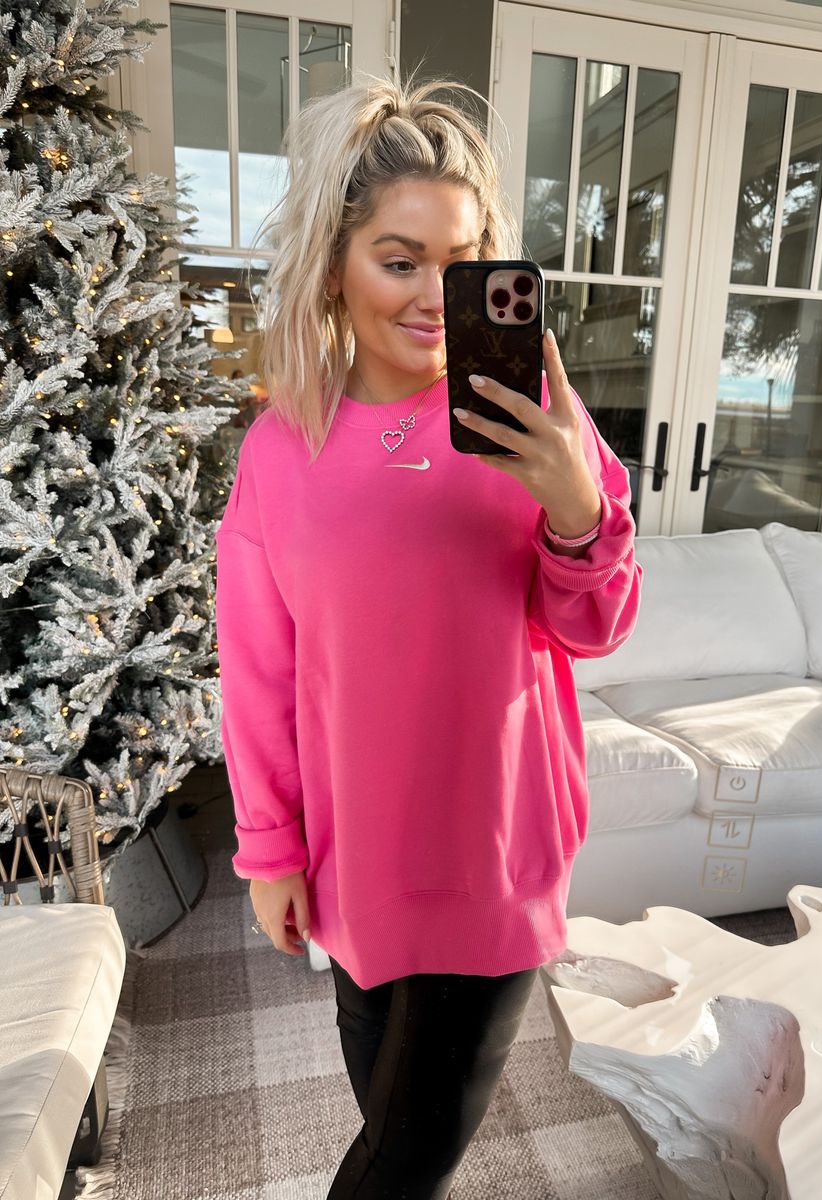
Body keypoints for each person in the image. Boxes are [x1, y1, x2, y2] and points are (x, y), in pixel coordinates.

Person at [214, 72, 642, 1200]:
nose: (431, 297)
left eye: (461, 264)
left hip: (496, 850)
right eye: (399, 261)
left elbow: (597, 626)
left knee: (399, 1164)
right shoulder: (281, 451)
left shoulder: (539, 421)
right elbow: (259, 674)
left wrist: (576, 505)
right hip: (357, 858)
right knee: (395, 1139)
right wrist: (270, 850)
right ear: (335, 267)